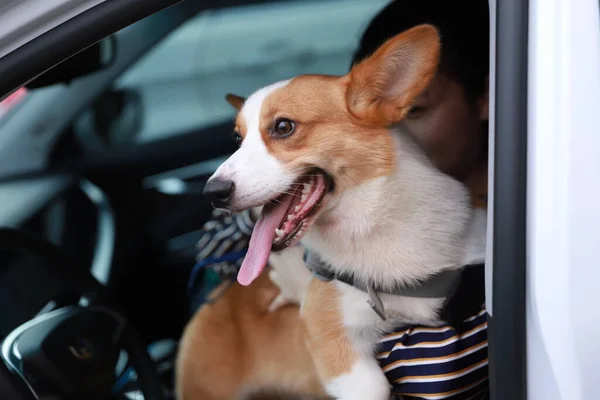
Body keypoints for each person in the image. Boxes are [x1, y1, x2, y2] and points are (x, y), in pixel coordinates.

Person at [180, 1, 490, 399]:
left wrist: (307, 294)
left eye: (417, 109)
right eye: (244, 138)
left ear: (485, 98)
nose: (398, 134)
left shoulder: (527, 214)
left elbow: (443, 374)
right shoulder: (313, 193)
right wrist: (269, 206)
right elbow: (212, 246)